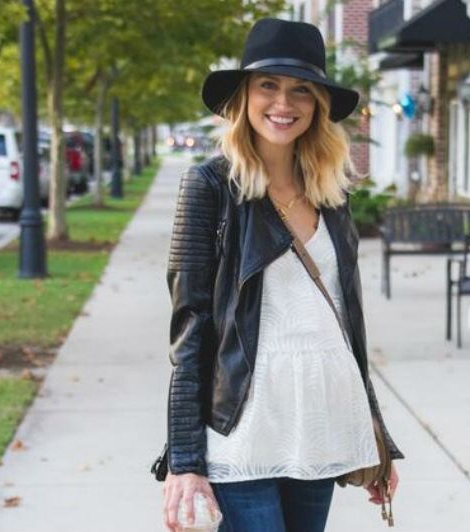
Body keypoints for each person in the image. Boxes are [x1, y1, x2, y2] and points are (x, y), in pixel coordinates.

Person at [162, 17, 405, 532]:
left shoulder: (332, 191)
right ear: (244, 96)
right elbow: (190, 328)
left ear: (317, 105)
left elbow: (344, 324)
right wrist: (185, 460)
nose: (283, 103)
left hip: (320, 422)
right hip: (243, 427)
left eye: (301, 90)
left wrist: (375, 431)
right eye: (268, 85)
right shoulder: (210, 187)